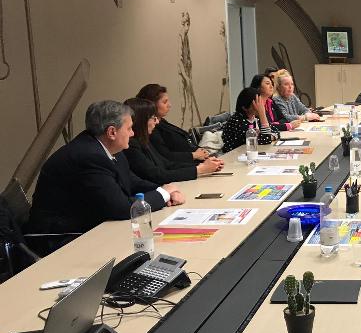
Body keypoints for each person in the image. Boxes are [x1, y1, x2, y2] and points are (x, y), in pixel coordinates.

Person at [27, 101, 185, 250]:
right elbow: (121, 208)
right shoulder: (89, 155)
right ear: (112, 132)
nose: (132, 133)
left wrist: (165, 191)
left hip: (88, 225)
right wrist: (163, 194)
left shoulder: (106, 147)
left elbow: (131, 181)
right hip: (60, 238)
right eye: (129, 128)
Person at [123, 98, 224, 184]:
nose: (157, 122)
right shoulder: (131, 146)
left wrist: (203, 165)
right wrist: (200, 169)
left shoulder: (143, 140)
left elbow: (167, 164)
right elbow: (158, 175)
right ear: (141, 121)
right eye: (153, 118)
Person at [136, 84, 209, 164]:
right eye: (165, 102)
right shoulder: (152, 130)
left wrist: (201, 152)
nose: (169, 105)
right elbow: (165, 157)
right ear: (152, 105)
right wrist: (195, 155)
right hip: (187, 164)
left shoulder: (162, 121)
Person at [222, 87, 280, 153]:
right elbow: (265, 140)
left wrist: (269, 136)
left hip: (251, 153)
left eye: (260, 103)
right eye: (256, 104)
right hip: (234, 155)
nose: (261, 106)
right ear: (244, 108)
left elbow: (276, 131)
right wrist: (262, 113)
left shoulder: (256, 118)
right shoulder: (237, 121)